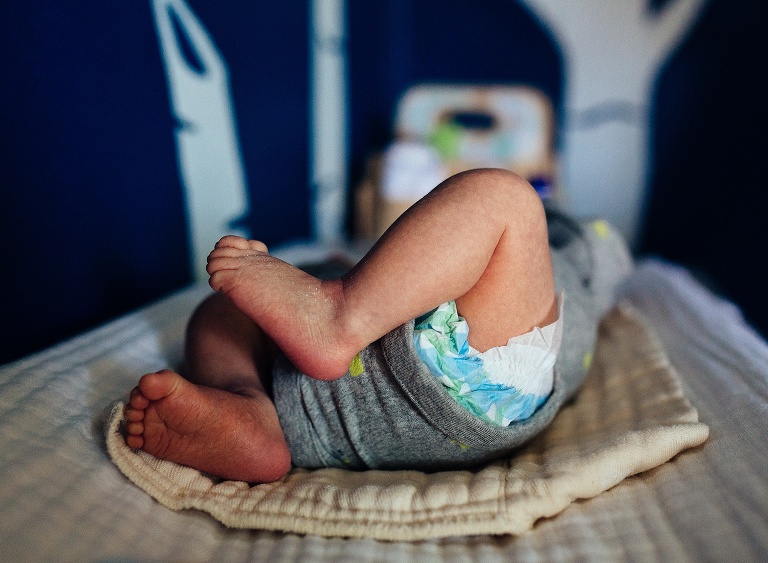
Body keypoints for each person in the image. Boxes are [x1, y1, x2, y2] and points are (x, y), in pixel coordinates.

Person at [124, 168, 630, 483]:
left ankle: (339, 314)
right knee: (219, 314)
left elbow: (600, 252)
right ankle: (249, 413)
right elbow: (423, 264)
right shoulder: (559, 301)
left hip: (473, 370)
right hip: (334, 414)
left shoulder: (578, 254)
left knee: (505, 198)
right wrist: (358, 272)